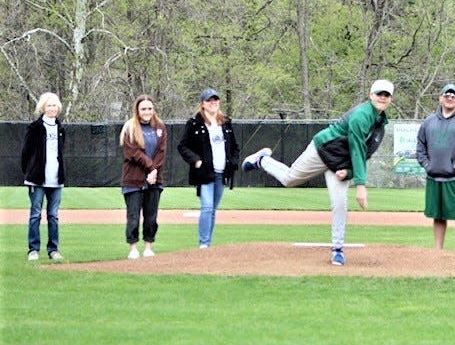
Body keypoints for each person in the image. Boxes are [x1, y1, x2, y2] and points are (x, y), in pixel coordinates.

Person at [241, 79, 394, 266]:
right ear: (371, 95)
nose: (382, 98)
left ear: (390, 99)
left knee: (340, 204)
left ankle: (337, 249)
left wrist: (349, 172)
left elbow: (365, 154)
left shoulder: (380, 125)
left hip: (340, 165)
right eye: (379, 94)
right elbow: (356, 148)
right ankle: (262, 159)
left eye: (386, 95)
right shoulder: (361, 116)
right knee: (289, 179)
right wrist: (361, 185)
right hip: (322, 150)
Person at [416, 84, 455, 252]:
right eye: (446, 95)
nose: (449, 98)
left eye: (453, 96)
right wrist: (427, 164)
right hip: (434, 177)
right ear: (440, 98)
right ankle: (438, 250)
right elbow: (420, 146)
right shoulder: (429, 122)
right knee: (438, 216)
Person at [178, 88, 240, 248]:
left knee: (212, 210)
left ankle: (208, 243)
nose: (213, 103)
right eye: (209, 100)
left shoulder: (225, 123)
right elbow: (183, 146)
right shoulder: (194, 123)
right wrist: (196, 160)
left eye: (215, 100)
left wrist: (233, 162)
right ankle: (203, 244)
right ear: (203, 104)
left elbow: (235, 147)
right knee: (206, 207)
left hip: (221, 173)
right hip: (205, 173)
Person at [119, 95, 167, 260]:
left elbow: (161, 152)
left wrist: (154, 172)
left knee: (151, 216)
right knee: (133, 216)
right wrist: (151, 168)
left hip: (155, 180)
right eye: (143, 109)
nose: (147, 112)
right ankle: (133, 248)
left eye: (149, 108)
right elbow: (133, 153)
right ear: (137, 111)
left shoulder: (160, 127)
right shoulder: (130, 128)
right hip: (133, 180)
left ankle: (148, 246)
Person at [20, 92, 66, 262]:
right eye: (49, 105)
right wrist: (29, 172)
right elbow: (25, 152)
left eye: (54, 105)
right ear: (43, 108)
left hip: (56, 180)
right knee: (35, 214)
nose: (52, 108)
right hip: (37, 179)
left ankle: (53, 250)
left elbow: (61, 153)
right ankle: (33, 249)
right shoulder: (34, 128)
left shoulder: (60, 128)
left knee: (53, 215)